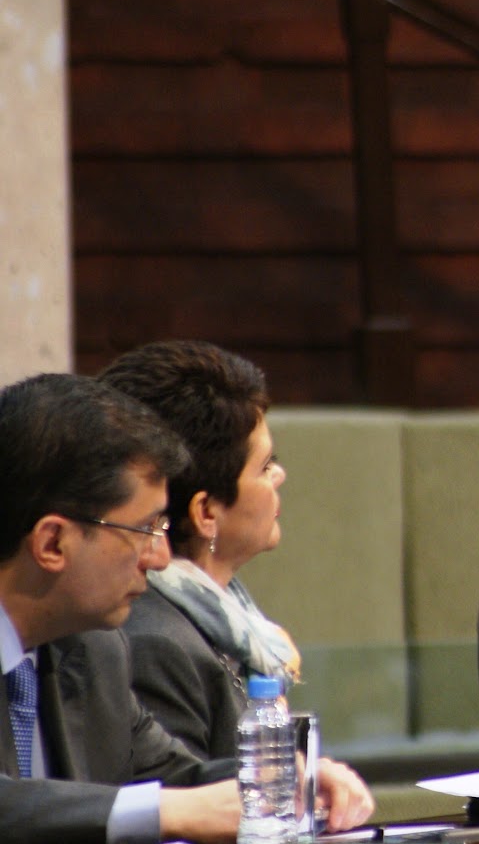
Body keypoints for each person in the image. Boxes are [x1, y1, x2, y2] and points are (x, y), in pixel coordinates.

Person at [0, 372, 373, 843]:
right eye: (145, 529)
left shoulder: (93, 650)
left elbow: (173, 777)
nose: (160, 557)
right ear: (53, 542)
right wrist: (169, 811)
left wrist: (284, 777)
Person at [100, 340, 299, 761]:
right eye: (265, 466)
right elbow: (180, 795)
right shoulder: (157, 645)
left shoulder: (220, 618)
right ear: (206, 512)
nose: (279, 475)